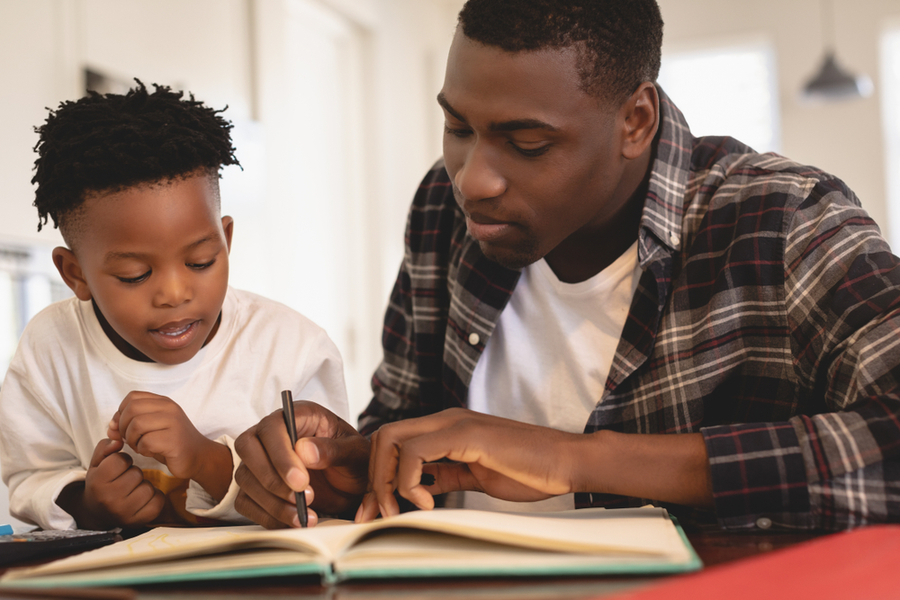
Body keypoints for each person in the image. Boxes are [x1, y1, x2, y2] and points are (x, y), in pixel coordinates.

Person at [234, 0, 900, 532]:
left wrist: (572, 459)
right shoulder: (444, 206)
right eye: (460, 129)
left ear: (635, 120)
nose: (474, 180)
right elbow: (409, 422)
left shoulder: (783, 221)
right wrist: (351, 466)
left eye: (526, 143)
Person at [0, 82, 349, 531]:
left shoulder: (294, 349)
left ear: (226, 240)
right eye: (135, 275)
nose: (174, 293)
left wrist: (207, 460)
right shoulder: (52, 347)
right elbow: (29, 477)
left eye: (200, 261)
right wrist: (88, 501)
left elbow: (328, 497)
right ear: (75, 274)